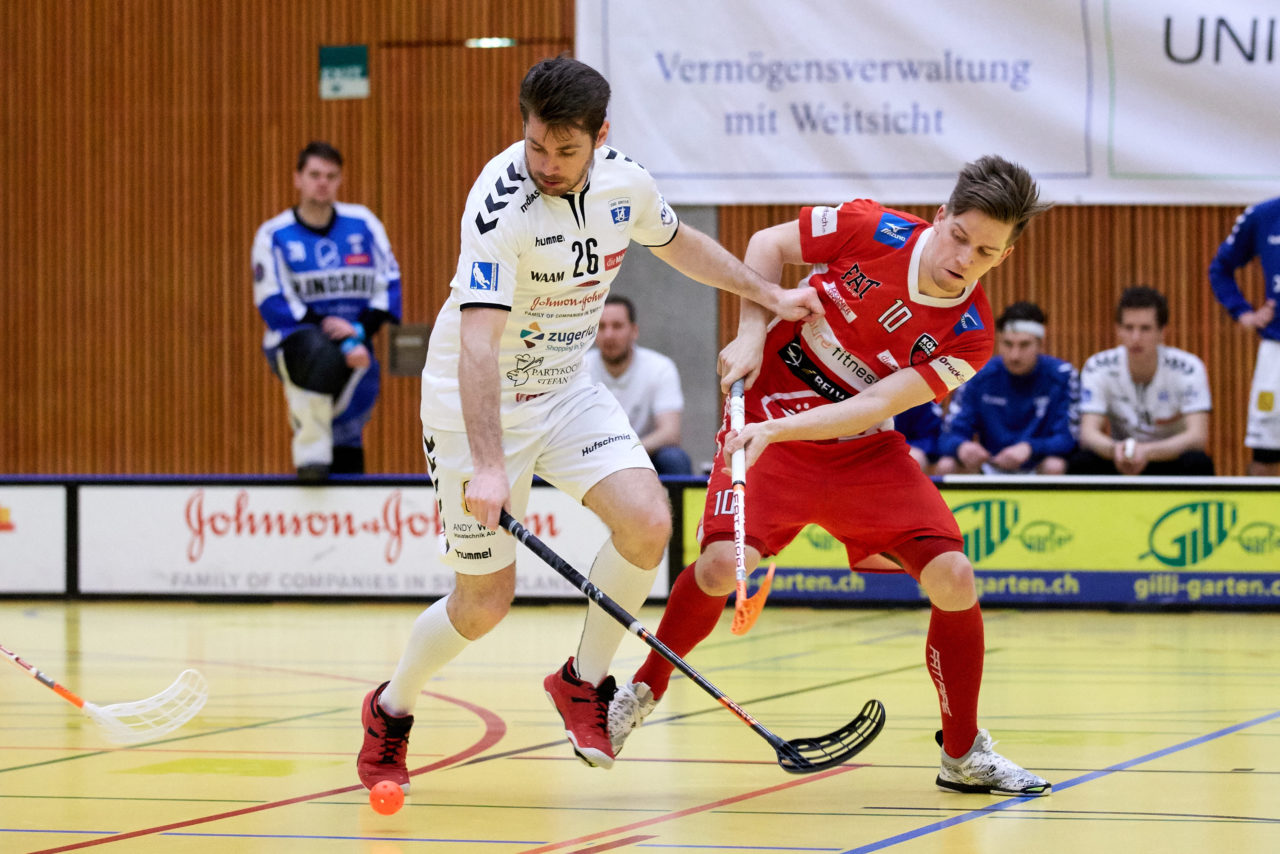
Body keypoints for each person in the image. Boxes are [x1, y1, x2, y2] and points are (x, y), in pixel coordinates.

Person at [355, 56, 822, 792]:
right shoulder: (498, 205)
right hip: (477, 406)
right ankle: (391, 709)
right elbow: (477, 342)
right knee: (484, 604)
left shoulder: (623, 182)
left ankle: (583, 681)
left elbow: (680, 246)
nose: (546, 163)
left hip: (566, 389)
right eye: (536, 145)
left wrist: (767, 291)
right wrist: (485, 463)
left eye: (565, 151)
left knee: (646, 522)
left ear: (600, 137)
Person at [609, 155, 1054, 796]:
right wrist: (754, 331)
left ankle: (962, 754)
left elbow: (875, 406)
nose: (964, 258)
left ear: (1003, 257)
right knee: (713, 569)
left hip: (858, 448)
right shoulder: (868, 228)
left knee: (954, 577)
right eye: (959, 236)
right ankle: (641, 691)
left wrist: (781, 432)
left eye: (985, 252)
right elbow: (767, 245)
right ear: (941, 217)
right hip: (772, 413)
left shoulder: (971, 335)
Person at [252, 141, 402, 481]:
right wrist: (328, 326)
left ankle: (346, 508)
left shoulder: (362, 223)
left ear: (339, 180)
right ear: (298, 179)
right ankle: (311, 456)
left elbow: (389, 279)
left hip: (358, 338)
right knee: (320, 357)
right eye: (315, 174)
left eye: (331, 176)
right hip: (294, 343)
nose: (323, 182)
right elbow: (272, 301)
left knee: (349, 426)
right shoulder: (273, 235)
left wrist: (359, 332)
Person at [1069, 286, 1214, 476]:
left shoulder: (1188, 368)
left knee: (1198, 462)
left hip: (1168, 458)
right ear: (1118, 330)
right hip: (1121, 458)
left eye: (1145, 329)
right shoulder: (1098, 366)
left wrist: (1147, 452)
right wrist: (1116, 450)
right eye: (1129, 328)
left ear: (1162, 332)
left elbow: (1197, 437)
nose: (1135, 338)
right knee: (1082, 462)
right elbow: (1088, 434)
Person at [935, 301, 1077, 475]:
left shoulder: (1062, 375)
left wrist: (1030, 448)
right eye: (1008, 344)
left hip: (1037, 464)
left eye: (1024, 345)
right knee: (946, 464)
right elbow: (947, 436)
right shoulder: (978, 376)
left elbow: (1069, 438)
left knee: (1055, 465)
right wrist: (962, 447)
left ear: (1041, 344)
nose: (1014, 355)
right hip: (989, 465)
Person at [1208, 198, 1280, 476]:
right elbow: (1220, 268)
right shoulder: (1264, 215)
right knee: (1267, 457)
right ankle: (1266, 520)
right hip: (1276, 352)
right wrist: (1243, 312)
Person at [585, 295, 693, 475]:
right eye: (601, 327)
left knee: (674, 459)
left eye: (617, 326)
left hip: (644, 453)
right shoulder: (579, 368)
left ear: (634, 331)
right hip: (591, 456)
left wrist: (626, 452)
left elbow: (670, 432)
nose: (609, 335)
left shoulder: (659, 367)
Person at [895, 400, 944, 472]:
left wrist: (902, 447)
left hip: (910, 448)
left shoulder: (915, 399)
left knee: (914, 458)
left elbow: (930, 438)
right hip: (878, 450)